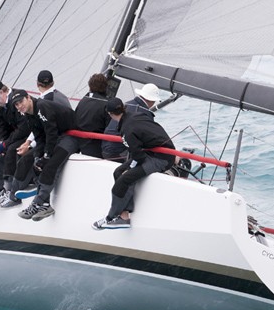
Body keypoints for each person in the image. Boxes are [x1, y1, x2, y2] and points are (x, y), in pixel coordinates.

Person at [93, 97, 175, 230]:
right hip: (152, 152)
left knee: (122, 181)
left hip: (161, 159)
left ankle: (110, 217)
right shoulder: (134, 115)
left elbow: (138, 157)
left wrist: (130, 169)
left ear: (110, 114)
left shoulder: (127, 129)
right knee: (118, 172)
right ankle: (124, 215)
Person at [10, 89, 76, 220]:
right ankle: (45, 205)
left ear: (28, 97)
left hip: (72, 136)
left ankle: (37, 203)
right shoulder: (29, 114)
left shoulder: (41, 107)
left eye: (21, 101)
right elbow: (40, 137)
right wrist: (38, 157)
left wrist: (46, 156)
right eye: (16, 105)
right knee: (38, 162)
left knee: (51, 166)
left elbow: (51, 133)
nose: (20, 106)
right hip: (59, 136)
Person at [0, 81, 31, 205]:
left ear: (1, 92)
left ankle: (11, 190)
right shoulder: (2, 105)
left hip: (30, 133)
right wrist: (0, 142)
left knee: (11, 150)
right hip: (18, 134)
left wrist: (6, 143)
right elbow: (3, 126)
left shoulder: (16, 99)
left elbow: (24, 127)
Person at [102, 83, 161, 162]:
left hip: (105, 148)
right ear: (151, 100)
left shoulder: (126, 104)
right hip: (119, 153)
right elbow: (149, 139)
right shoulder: (145, 113)